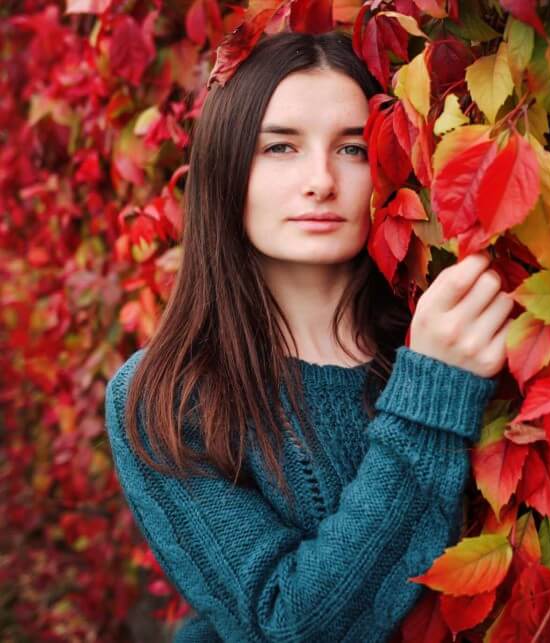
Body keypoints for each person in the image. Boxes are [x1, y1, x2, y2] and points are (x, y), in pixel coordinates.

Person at [104, 31, 514, 642]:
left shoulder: (444, 335)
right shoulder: (167, 397)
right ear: (226, 167)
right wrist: (429, 402)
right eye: (281, 147)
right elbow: (286, 625)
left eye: (351, 149)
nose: (321, 180)